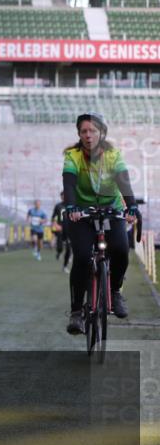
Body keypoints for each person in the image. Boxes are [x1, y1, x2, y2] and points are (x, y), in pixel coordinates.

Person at [62, 112, 139, 335]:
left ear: (101, 133)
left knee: (121, 249)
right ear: (79, 134)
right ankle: (77, 312)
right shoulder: (73, 156)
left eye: (93, 131)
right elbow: (69, 184)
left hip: (111, 208)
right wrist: (71, 206)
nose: (88, 135)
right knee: (82, 257)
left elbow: (124, 182)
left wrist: (131, 206)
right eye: (84, 131)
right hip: (82, 213)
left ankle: (115, 292)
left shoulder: (113, 155)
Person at [50, 191, 72, 272]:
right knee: (60, 247)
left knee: (69, 248)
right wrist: (55, 225)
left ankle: (65, 266)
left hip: (70, 229)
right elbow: (53, 217)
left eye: (65, 195)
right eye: (62, 195)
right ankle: (59, 252)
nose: (64, 197)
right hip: (60, 229)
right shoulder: (58, 206)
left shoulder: (72, 205)